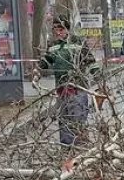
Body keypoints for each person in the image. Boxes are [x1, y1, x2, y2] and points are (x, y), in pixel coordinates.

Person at [39, 16, 96, 146]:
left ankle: (80, 152)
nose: (57, 32)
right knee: (64, 122)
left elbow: (91, 62)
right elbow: (46, 61)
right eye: (55, 30)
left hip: (78, 90)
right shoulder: (53, 46)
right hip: (62, 91)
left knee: (77, 122)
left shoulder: (78, 42)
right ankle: (66, 153)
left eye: (60, 29)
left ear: (67, 29)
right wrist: (37, 69)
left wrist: (98, 77)